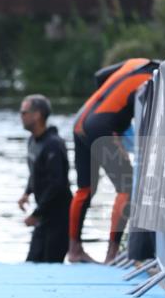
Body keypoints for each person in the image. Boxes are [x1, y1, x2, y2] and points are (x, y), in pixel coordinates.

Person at [68, 57, 159, 264]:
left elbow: (99, 76)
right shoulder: (157, 76)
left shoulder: (135, 62)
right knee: (126, 187)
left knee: (84, 189)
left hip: (81, 119)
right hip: (102, 126)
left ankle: (74, 250)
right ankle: (112, 254)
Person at [18, 95, 72, 263]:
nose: (21, 116)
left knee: (51, 264)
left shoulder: (53, 144)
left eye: (24, 112)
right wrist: (27, 193)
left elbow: (57, 184)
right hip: (43, 214)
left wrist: (36, 213)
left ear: (37, 115)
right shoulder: (33, 141)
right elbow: (35, 172)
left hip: (58, 216)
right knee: (32, 262)